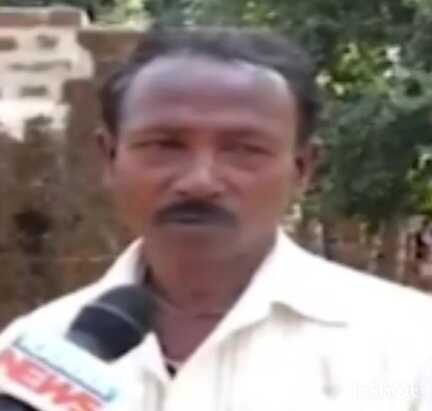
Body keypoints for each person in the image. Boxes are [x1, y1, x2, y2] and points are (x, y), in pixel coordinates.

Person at [1, 27, 432, 410]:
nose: (199, 181)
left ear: (302, 169)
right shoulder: (35, 352)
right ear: (110, 158)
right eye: (164, 145)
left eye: (244, 149)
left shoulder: (410, 343)